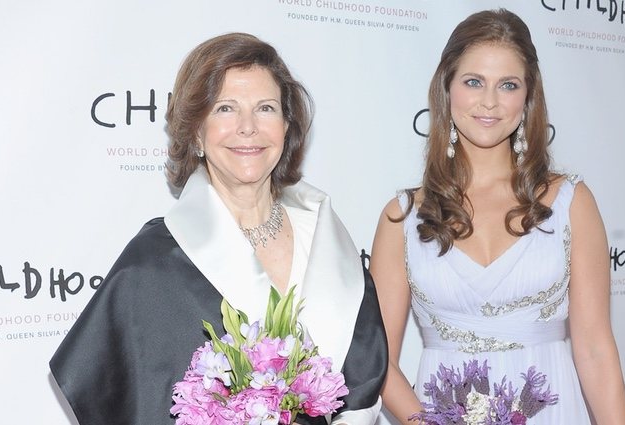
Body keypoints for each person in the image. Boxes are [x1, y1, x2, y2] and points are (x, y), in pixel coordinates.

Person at [50, 33, 387, 425]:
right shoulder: (155, 262)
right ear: (196, 130)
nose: (248, 127)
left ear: (286, 126)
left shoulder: (328, 241)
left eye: (265, 108)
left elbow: (362, 386)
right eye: (226, 108)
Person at [370, 9, 625, 425]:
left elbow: (596, 349)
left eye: (507, 85)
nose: (489, 102)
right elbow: (378, 359)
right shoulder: (402, 216)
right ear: (446, 88)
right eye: (473, 82)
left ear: (528, 97)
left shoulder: (570, 202)